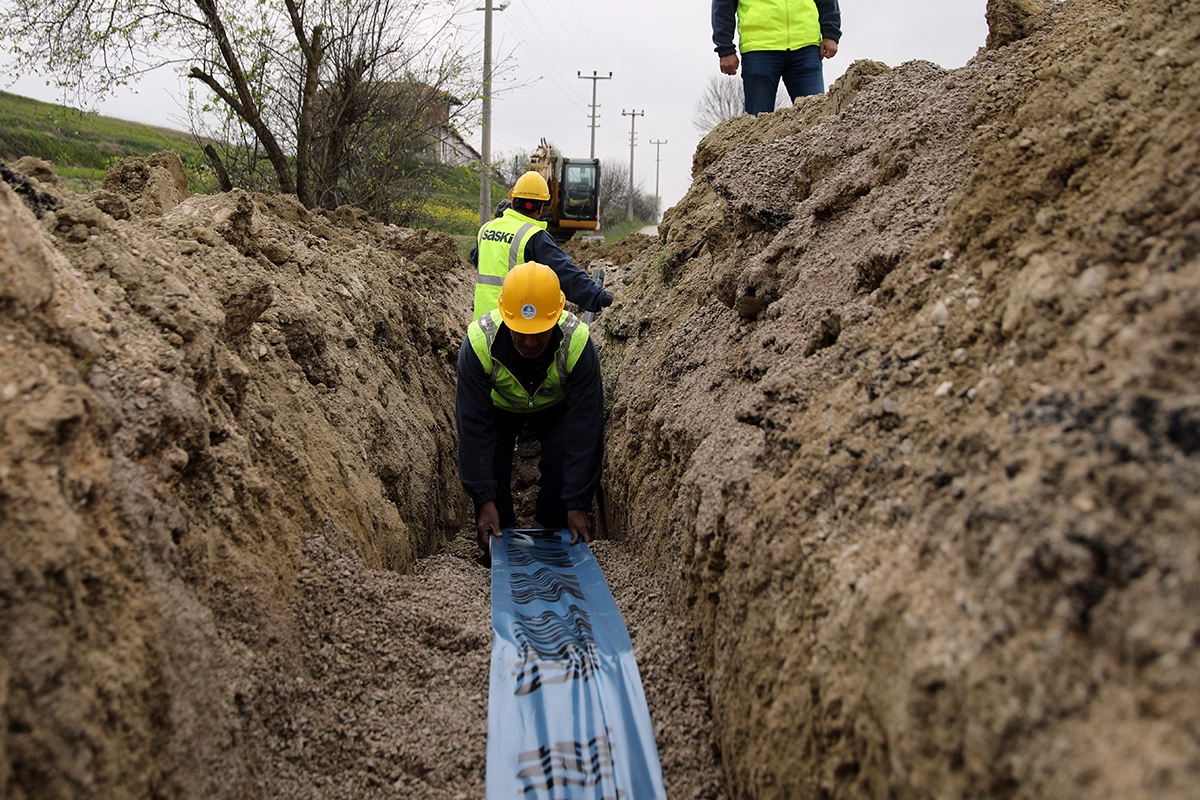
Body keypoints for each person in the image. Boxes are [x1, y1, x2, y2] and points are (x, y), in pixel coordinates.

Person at [456, 261, 604, 558]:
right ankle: (501, 538)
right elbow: (473, 429)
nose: (530, 341)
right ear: (506, 316)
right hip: (500, 408)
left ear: (556, 318)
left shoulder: (577, 343)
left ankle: (551, 528)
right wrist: (484, 501)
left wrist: (577, 502)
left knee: (561, 457)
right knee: (494, 464)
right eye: (520, 332)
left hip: (554, 407)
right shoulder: (479, 343)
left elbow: (585, 429)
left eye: (540, 332)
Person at [470, 170, 612, 322]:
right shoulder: (534, 236)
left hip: (482, 323)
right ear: (540, 209)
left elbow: (476, 257)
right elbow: (565, 274)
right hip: (514, 324)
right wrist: (598, 297)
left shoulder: (486, 228)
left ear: (513, 202)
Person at [712, 0, 842, 115]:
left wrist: (831, 33)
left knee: (816, 116)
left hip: (805, 47)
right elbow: (723, 4)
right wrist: (725, 48)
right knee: (758, 124)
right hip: (759, 48)